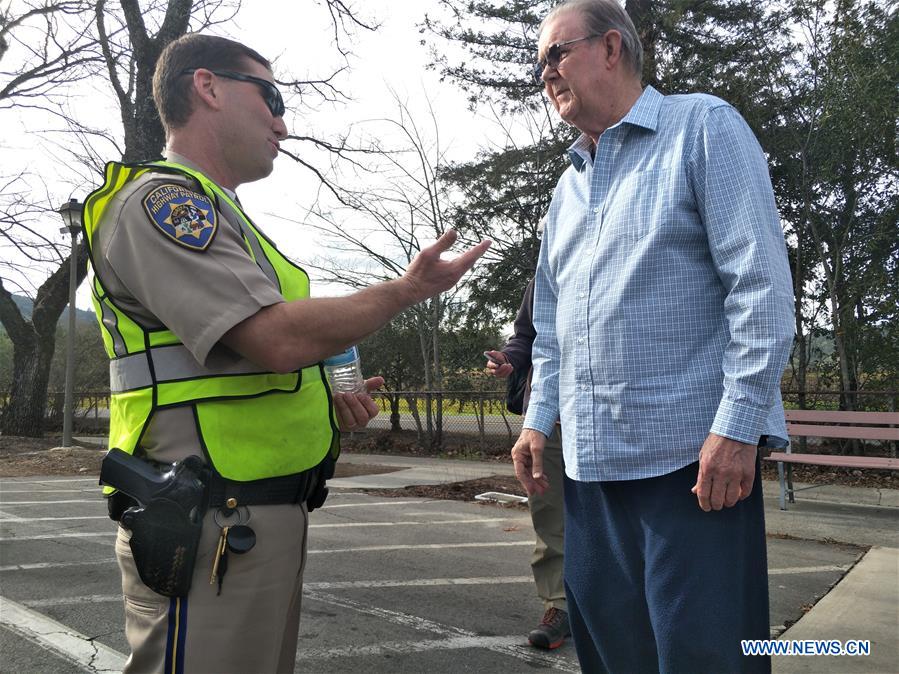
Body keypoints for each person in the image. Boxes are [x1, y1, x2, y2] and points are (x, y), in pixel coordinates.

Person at [82, 34, 489, 674]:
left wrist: (324, 401)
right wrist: (408, 289)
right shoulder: (165, 205)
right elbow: (275, 339)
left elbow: (247, 365)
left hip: (250, 515)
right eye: (269, 97)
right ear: (207, 88)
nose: (282, 120)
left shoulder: (226, 219)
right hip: (208, 515)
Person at [510, 1, 795, 672]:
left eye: (555, 54)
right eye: (538, 62)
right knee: (613, 654)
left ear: (611, 48)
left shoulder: (701, 128)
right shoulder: (566, 189)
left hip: (690, 466)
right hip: (585, 468)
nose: (543, 73)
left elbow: (760, 288)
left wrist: (737, 428)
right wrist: (536, 422)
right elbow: (551, 328)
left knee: (704, 655)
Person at [484, 277, 569, 650]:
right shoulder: (545, 273)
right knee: (550, 516)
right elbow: (526, 335)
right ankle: (559, 606)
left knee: (625, 515)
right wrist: (509, 358)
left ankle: (625, 608)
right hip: (549, 422)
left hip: (622, 418)